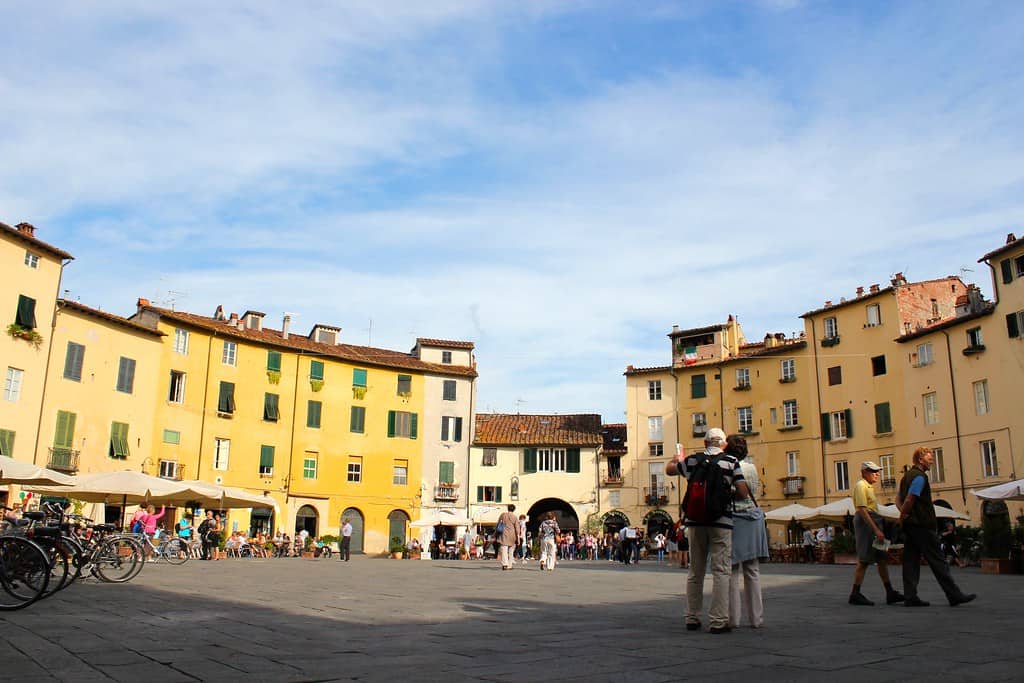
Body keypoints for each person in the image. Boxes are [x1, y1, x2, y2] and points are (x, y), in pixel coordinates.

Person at [665, 426, 749, 634]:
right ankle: (718, 620)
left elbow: (669, 470)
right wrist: (728, 493)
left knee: (696, 570)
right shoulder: (731, 462)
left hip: (695, 521)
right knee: (721, 571)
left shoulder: (694, 461)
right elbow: (743, 492)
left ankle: (692, 617)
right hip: (721, 521)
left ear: (705, 443)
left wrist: (676, 458)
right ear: (723, 444)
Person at [897, 448, 976, 607]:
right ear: (920, 459)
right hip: (923, 526)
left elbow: (898, 498)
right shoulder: (920, 478)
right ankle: (954, 595)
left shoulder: (906, 476)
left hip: (911, 526)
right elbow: (910, 499)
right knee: (938, 561)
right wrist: (903, 515)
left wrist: (904, 515)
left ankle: (910, 596)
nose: (932, 460)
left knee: (911, 561)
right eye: (929, 457)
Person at [726, 434, 768, 629]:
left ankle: (733, 618)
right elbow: (753, 490)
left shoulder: (728, 468)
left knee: (732, 570)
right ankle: (756, 619)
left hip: (735, 519)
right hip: (752, 518)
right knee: (752, 570)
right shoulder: (751, 468)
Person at [848, 461, 904, 606]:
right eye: (873, 471)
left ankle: (890, 592)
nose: (877, 474)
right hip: (867, 524)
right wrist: (876, 529)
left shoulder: (869, 487)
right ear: (864, 472)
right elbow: (862, 509)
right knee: (864, 559)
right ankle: (855, 593)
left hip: (874, 521)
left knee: (882, 558)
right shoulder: (861, 486)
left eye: (877, 471)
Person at [496, 504, 521, 570]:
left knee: (504, 549)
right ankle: (510, 565)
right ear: (514, 509)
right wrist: (518, 538)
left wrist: (496, 533)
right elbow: (517, 528)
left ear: (508, 508)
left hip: (504, 534)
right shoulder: (515, 517)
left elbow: (498, 524)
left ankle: (505, 564)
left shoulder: (503, 515)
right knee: (511, 550)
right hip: (513, 535)